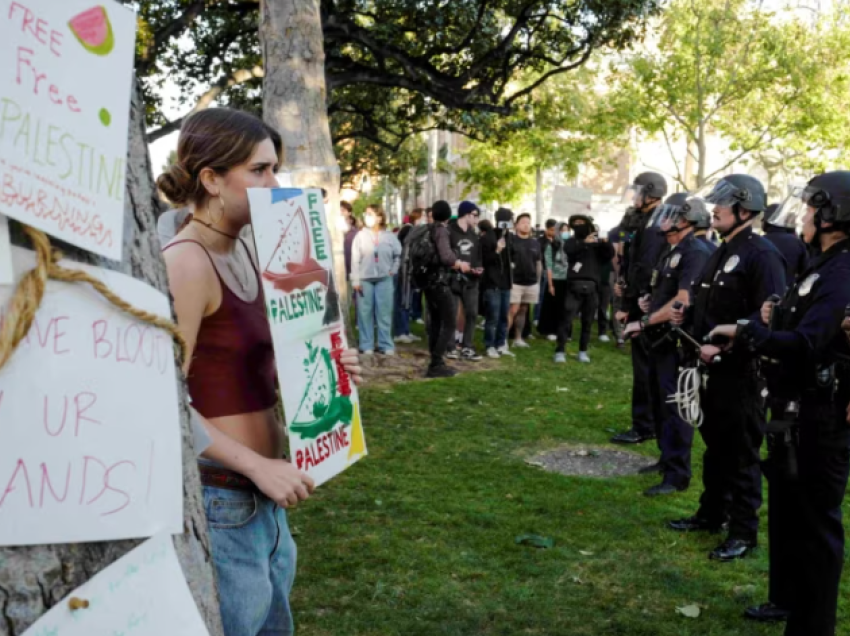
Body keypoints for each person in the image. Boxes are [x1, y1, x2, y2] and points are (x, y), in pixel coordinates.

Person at [158, 108, 361, 636]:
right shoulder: (185, 262)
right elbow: (162, 399)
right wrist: (256, 466)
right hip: (222, 496)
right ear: (212, 179)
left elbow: (269, 358)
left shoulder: (254, 249)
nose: (275, 184)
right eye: (260, 170)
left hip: (265, 497)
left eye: (275, 169)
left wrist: (333, 365)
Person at [709, 172, 850, 635]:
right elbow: (799, 316)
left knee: (816, 526)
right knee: (788, 515)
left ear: (831, 213)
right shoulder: (819, 263)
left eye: (812, 208)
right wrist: (773, 314)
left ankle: (812, 626)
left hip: (820, 415)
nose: (804, 215)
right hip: (791, 410)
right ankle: (785, 600)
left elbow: (810, 343)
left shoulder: (843, 269)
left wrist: (751, 332)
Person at [667, 174, 786, 561]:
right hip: (710, 370)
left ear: (745, 210)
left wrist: (724, 344)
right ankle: (711, 513)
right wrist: (687, 319)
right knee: (715, 448)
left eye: (723, 202)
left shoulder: (762, 254)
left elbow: (768, 313)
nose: (714, 208)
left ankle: (743, 532)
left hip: (742, 374)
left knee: (741, 454)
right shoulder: (720, 248)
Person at [623, 194, 712, 496]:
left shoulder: (695, 252)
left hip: (676, 344)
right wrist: (648, 302)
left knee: (676, 409)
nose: (662, 219)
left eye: (670, 215)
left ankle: (677, 475)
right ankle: (665, 459)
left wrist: (645, 321)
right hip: (659, 342)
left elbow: (683, 300)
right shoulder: (670, 250)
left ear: (686, 220)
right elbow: (664, 291)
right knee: (660, 404)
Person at [611, 172, 669, 444]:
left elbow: (645, 268)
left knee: (644, 368)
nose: (634, 197)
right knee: (646, 367)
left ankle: (644, 425)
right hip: (641, 300)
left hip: (644, 305)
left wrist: (628, 304)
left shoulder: (654, 225)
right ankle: (650, 423)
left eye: (638, 192)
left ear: (651, 194)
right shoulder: (647, 221)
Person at [424, 200, 470, 377]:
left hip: (428, 281)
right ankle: (436, 362)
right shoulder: (441, 230)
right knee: (450, 321)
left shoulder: (428, 229)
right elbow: (446, 256)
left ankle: (435, 361)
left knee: (436, 321)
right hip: (440, 281)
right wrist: (459, 262)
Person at [561, 215, 614, 363]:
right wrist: (585, 243)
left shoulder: (597, 243)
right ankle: (560, 350)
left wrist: (604, 242)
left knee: (588, 321)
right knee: (566, 319)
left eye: (581, 223)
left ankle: (582, 351)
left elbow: (609, 255)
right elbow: (569, 252)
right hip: (573, 285)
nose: (578, 225)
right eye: (575, 224)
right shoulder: (571, 241)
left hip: (592, 286)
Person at [351, 205, 402, 355]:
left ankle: (385, 344)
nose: (367, 217)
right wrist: (355, 280)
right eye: (366, 214)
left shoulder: (390, 236)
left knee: (384, 312)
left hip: (384, 279)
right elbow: (355, 260)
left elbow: (398, 255)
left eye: (370, 214)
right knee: (364, 312)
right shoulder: (360, 236)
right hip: (364, 279)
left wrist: (393, 270)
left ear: (379, 217)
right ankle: (366, 344)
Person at [448, 201, 483, 361]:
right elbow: (445, 256)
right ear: (466, 214)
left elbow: (477, 256)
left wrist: (478, 268)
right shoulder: (449, 231)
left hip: (471, 280)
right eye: (475, 215)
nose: (476, 219)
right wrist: (457, 266)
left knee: (472, 313)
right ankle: (450, 346)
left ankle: (467, 346)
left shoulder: (474, 234)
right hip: (452, 279)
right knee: (451, 314)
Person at [481, 208, 515, 358]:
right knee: (492, 316)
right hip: (492, 283)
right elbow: (484, 260)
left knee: (503, 315)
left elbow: (512, 256)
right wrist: (497, 251)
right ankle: (490, 345)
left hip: (506, 283)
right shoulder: (489, 236)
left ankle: (501, 343)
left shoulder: (509, 237)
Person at [508, 213, 542, 349]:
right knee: (512, 310)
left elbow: (538, 263)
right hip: (515, 282)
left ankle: (518, 338)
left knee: (523, 310)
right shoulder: (511, 240)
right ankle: (502, 341)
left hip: (531, 282)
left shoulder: (535, 243)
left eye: (528, 222)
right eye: (523, 222)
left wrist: (538, 281)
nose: (526, 224)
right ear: (516, 225)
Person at [394, 209, 423, 344]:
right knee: (403, 300)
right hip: (404, 271)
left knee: (407, 301)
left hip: (407, 270)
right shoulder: (408, 229)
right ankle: (400, 331)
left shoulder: (409, 229)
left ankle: (405, 330)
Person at [762, 202, 808, 286]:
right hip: (787, 293)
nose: (762, 220)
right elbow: (805, 272)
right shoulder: (796, 242)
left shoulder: (759, 242)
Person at [539, 222, 569, 347]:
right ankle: (550, 330)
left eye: (567, 230)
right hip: (555, 279)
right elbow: (549, 266)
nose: (565, 233)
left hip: (568, 279)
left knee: (566, 307)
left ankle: (564, 331)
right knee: (553, 305)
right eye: (562, 230)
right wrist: (550, 284)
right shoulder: (551, 246)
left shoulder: (571, 246)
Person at [535, 220, 558, 328]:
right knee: (541, 295)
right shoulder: (540, 241)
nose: (554, 232)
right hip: (544, 270)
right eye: (552, 230)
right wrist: (549, 242)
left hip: (555, 271)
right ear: (547, 229)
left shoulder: (558, 241)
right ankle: (537, 317)